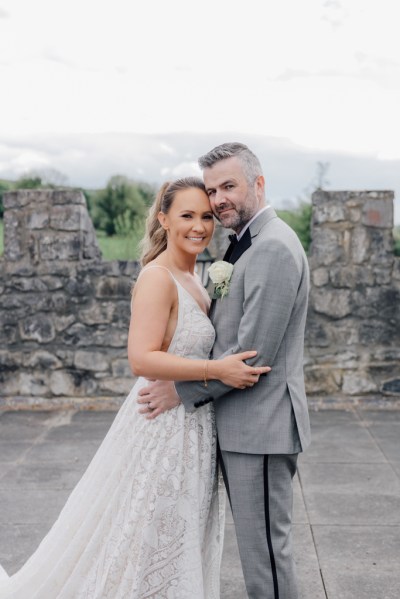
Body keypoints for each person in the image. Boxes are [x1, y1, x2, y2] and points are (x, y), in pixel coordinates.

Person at [0, 177, 270, 598]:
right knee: (147, 529)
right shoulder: (157, 277)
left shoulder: (201, 275)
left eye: (205, 216)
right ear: (163, 218)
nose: (199, 226)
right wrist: (215, 370)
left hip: (192, 426)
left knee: (179, 530)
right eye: (186, 215)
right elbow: (141, 359)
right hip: (161, 426)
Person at [137, 144, 311, 599]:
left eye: (228, 186)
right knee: (258, 552)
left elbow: (252, 356)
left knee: (266, 556)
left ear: (258, 183)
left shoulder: (272, 247)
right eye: (212, 190)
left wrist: (181, 391)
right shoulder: (241, 246)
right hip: (242, 426)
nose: (218, 200)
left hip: (263, 428)